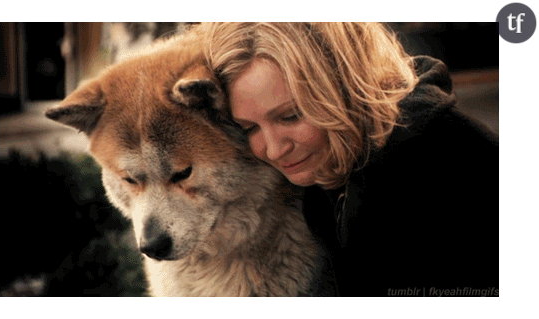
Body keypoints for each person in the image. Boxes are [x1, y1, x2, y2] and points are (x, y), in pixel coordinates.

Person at [198, 22, 498, 297]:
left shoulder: (440, 164)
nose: (274, 150)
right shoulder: (329, 166)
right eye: (249, 128)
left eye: (291, 116)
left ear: (343, 85)